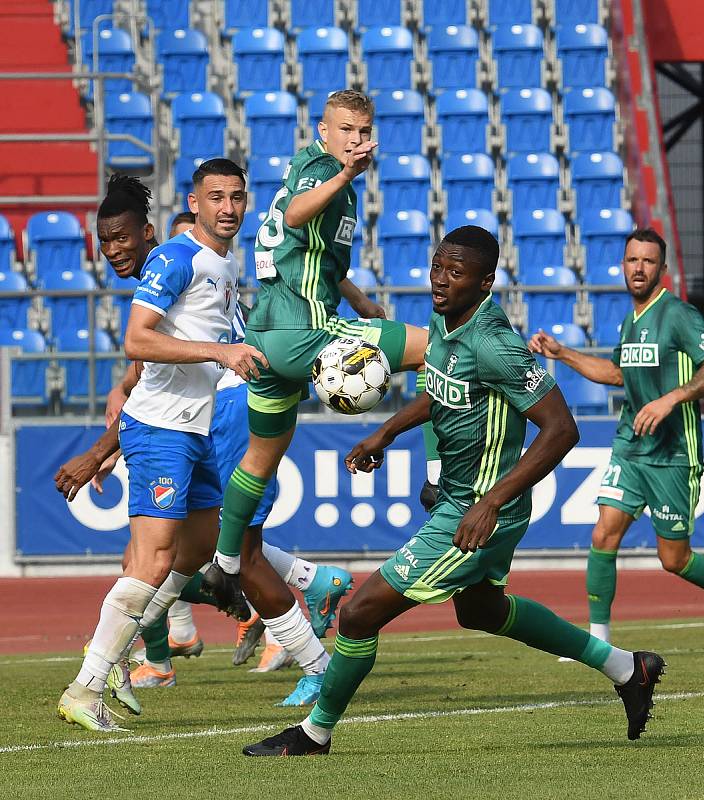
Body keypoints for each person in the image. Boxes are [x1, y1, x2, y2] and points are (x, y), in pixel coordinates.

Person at [242, 226, 666, 757]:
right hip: (464, 502)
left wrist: (489, 503)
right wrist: (387, 431)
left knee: (358, 613)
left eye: (455, 272)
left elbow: (562, 429)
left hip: (480, 509)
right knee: (481, 612)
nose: (440, 281)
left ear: (485, 282)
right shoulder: (445, 325)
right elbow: (444, 389)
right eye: (438, 267)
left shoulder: (494, 344)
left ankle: (314, 732)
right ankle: (628, 668)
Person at [88, 178, 358, 695]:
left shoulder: (178, 262)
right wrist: (121, 397)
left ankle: (307, 659)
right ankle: (307, 587)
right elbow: (151, 368)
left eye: (122, 238)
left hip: (225, 407)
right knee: (197, 548)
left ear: (151, 237)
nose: (114, 250)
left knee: (216, 553)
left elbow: (158, 368)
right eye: (106, 242)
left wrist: (102, 449)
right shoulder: (200, 267)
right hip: (221, 402)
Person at [205, 89, 441, 634]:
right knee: (437, 347)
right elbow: (294, 215)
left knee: (261, 459)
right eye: (346, 131)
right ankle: (436, 479)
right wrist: (344, 176)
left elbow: (310, 253)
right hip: (306, 332)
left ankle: (223, 565)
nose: (355, 141)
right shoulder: (320, 171)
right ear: (323, 130)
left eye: (363, 132)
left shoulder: (317, 172)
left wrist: (357, 296)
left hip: (267, 337)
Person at [55, 158, 265, 732]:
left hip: (190, 429)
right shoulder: (177, 258)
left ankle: (117, 654)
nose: (228, 207)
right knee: (150, 561)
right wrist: (219, 354)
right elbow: (136, 339)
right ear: (194, 203)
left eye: (237, 198)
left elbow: (158, 357)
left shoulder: (221, 265)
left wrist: (103, 448)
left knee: (194, 551)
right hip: (162, 433)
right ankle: (88, 685)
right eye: (216, 197)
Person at [528, 228, 704, 657]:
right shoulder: (630, 319)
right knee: (603, 535)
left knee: (673, 559)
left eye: (648, 261)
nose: (639, 268)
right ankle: (599, 637)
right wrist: (562, 354)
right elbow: (617, 374)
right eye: (633, 260)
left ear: (662, 270)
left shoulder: (678, 315)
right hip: (631, 446)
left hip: (673, 454)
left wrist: (671, 398)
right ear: (623, 266)